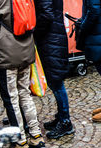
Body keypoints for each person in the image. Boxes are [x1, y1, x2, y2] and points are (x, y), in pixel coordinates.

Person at [0, 0, 45, 148]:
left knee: (11, 98)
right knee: (24, 94)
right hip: (26, 46)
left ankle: (20, 144)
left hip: (6, 50)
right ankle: (36, 137)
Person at [34, 0, 75, 139]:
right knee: (55, 82)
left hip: (50, 40)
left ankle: (65, 121)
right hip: (53, 38)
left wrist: (34, 31)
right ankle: (61, 117)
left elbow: (46, 14)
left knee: (57, 83)